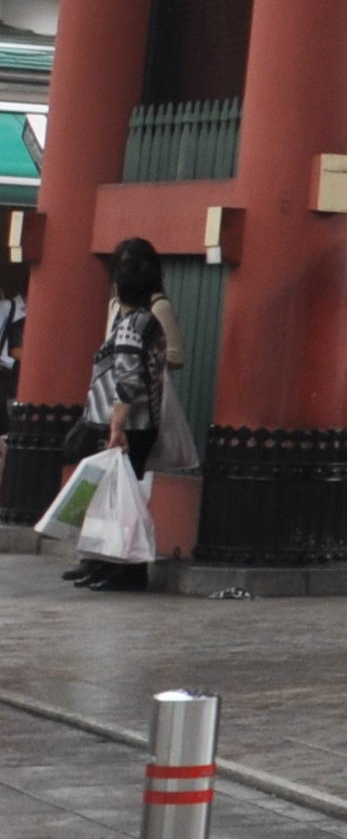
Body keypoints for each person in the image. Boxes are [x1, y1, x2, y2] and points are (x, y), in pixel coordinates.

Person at [65, 237, 176, 594]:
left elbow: (126, 379)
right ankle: (107, 563)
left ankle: (123, 568)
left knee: (115, 499)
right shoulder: (146, 322)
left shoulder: (132, 325)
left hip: (125, 426)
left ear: (117, 284)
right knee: (115, 497)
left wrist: (116, 427)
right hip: (140, 424)